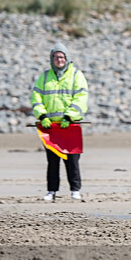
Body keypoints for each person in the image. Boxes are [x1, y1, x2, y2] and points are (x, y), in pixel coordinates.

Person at [31, 43, 89, 201]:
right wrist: (42, 116)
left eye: (62, 57)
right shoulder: (44, 77)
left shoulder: (76, 75)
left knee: (72, 160)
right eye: (56, 57)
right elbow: (36, 98)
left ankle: (75, 190)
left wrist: (70, 116)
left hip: (70, 126)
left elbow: (81, 97)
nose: (59, 60)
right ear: (52, 59)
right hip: (50, 127)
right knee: (52, 161)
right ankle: (51, 191)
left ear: (67, 58)